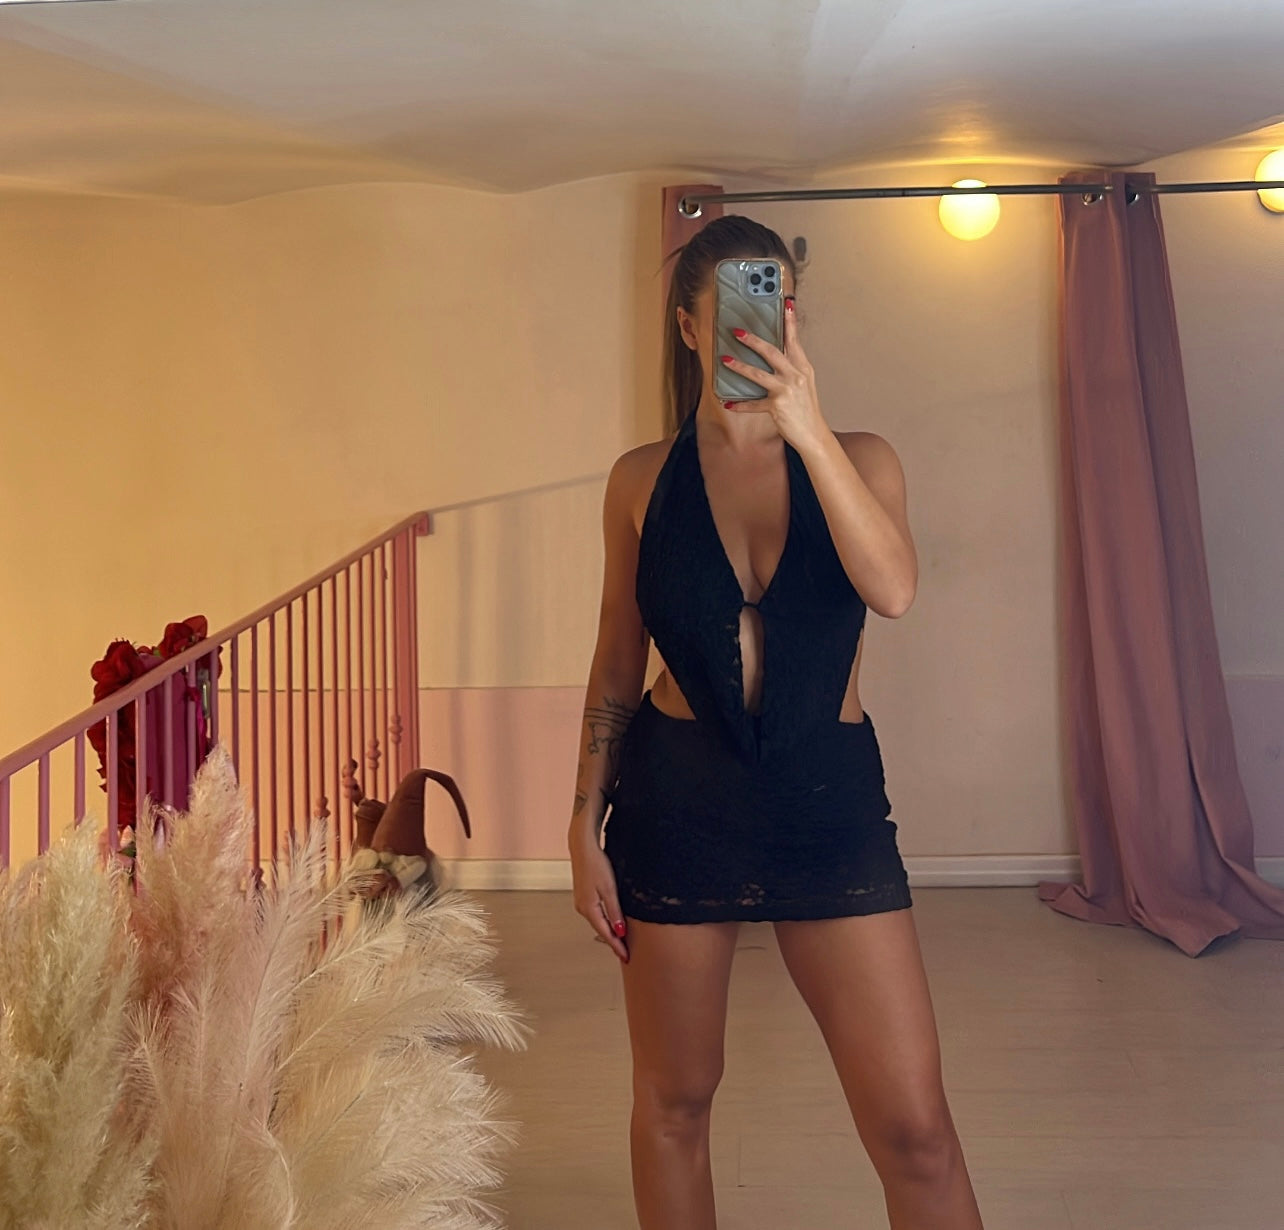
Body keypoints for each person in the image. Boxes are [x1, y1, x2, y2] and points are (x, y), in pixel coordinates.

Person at [568, 214, 984, 1230]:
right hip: (678, 806)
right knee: (674, 1106)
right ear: (689, 328)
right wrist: (582, 822)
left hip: (827, 807)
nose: (761, 329)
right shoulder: (638, 480)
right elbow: (618, 654)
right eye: (738, 310)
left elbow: (894, 589)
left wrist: (807, 429)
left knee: (917, 1132)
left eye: (780, 305)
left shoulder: (861, 458)